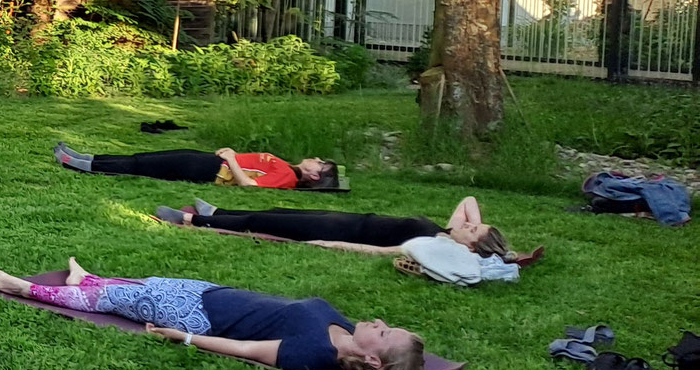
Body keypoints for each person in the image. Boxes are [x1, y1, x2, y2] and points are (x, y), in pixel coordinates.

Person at [0, 259, 426, 370]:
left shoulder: (314, 353)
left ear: (370, 361)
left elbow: (247, 351)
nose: (380, 320)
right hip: (211, 293)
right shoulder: (344, 327)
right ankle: (86, 277)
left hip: (196, 314)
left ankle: (27, 288)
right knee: (142, 285)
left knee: (111, 300)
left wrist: (187, 338)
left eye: (385, 332)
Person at [154, 194, 542, 263]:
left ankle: (193, 219)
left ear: (469, 247)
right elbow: (469, 200)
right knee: (277, 210)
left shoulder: (434, 246)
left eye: (472, 231)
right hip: (349, 216)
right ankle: (219, 209)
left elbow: (379, 251)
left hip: (343, 230)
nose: (468, 224)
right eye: (472, 226)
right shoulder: (448, 230)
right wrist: (488, 240)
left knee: (264, 223)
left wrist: (329, 243)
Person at [55, 141, 340, 193]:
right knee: (143, 157)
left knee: (143, 166)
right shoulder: (287, 168)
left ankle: (81, 166)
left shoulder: (288, 178)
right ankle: (87, 158)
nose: (314, 157)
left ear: (315, 175)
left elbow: (251, 186)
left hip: (209, 170)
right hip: (210, 161)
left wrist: (231, 159)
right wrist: (233, 155)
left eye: (319, 162)